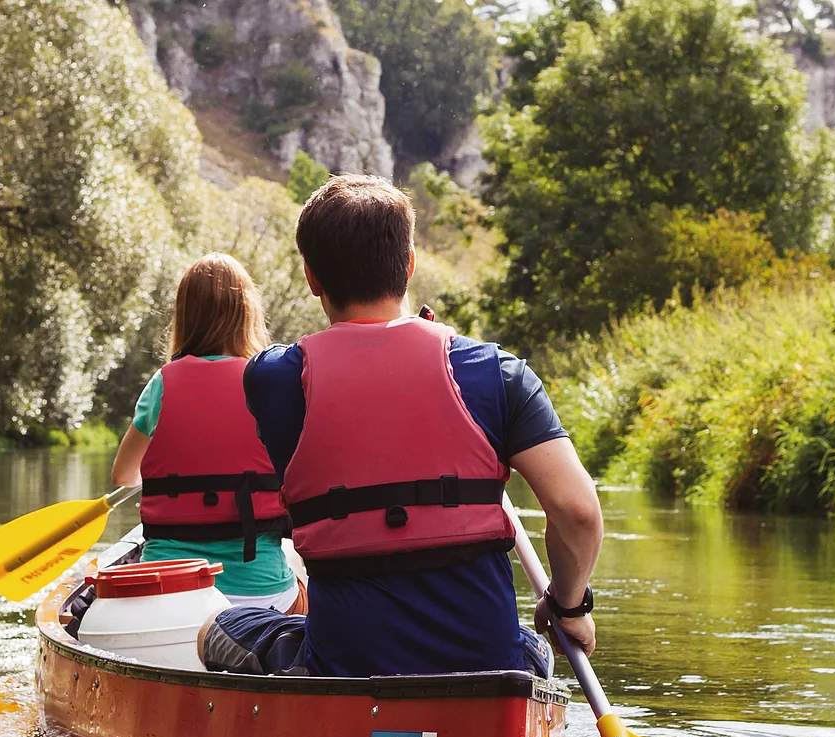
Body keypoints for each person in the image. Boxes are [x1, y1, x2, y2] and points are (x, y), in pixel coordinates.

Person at [200, 175, 604, 678]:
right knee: (530, 647)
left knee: (217, 627)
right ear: (409, 265)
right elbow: (578, 510)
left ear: (311, 278)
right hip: (484, 666)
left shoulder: (272, 379)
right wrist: (568, 607)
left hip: (345, 664)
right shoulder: (497, 372)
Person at [111, 253, 304, 612]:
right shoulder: (270, 384)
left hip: (167, 588)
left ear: (184, 317)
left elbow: (124, 475)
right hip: (260, 591)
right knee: (305, 589)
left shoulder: (162, 384)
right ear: (248, 313)